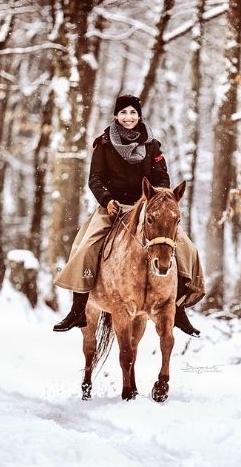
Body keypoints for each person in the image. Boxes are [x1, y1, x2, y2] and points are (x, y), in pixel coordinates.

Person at [52, 94, 205, 336]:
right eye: (123, 113)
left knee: (185, 246)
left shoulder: (152, 145)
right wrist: (107, 200)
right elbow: (95, 179)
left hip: (147, 207)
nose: (128, 117)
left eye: (133, 113)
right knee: (86, 246)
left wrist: (158, 197)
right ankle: (78, 309)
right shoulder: (103, 144)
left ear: (139, 116)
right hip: (113, 207)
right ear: (116, 115)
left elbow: (161, 176)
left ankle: (179, 308)